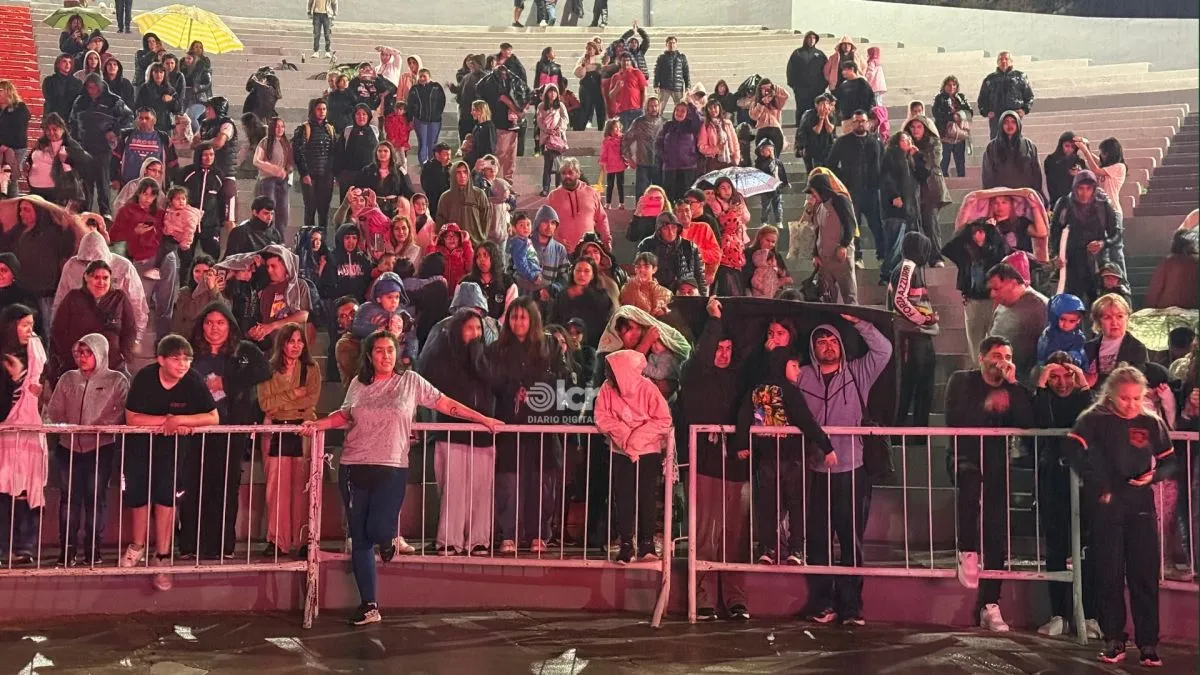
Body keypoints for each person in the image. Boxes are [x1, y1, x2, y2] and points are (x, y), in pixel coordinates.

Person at [1064, 365, 1172, 667]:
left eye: (1137, 398)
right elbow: (1072, 450)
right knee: (1109, 574)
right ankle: (1114, 639)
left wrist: (1153, 477)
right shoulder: (1094, 419)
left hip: (1140, 505)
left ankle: (1148, 643)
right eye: (1125, 399)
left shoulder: (1151, 421)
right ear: (1111, 396)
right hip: (1106, 505)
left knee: (1144, 576)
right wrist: (1097, 482)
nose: (1131, 405)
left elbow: (1170, 461)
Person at [796, 313, 891, 625]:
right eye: (821, 342)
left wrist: (860, 323)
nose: (827, 346)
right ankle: (823, 603)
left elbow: (883, 350)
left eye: (832, 341)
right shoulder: (802, 375)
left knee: (851, 539)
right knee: (819, 539)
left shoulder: (857, 373)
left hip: (853, 467)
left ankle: (851, 606)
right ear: (813, 348)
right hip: (814, 468)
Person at [946, 336, 1034, 632]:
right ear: (981, 358)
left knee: (996, 526)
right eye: (996, 355)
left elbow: (1027, 421)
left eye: (1007, 355)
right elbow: (954, 418)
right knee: (970, 485)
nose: (1002, 360)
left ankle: (990, 604)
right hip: (963, 455)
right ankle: (967, 550)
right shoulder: (961, 380)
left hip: (996, 459)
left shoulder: (1013, 388)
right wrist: (987, 402)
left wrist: (1012, 385)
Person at [733, 317, 835, 565]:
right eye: (794, 366)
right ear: (783, 365)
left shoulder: (757, 390)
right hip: (791, 457)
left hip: (767, 456)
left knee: (768, 504)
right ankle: (796, 549)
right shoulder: (788, 391)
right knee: (796, 504)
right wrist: (827, 446)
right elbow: (805, 420)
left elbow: (743, 415)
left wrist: (741, 443)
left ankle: (767, 549)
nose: (798, 371)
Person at [121, 334, 219, 590]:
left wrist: (182, 421)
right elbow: (132, 418)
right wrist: (169, 422)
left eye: (187, 359)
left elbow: (213, 417)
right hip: (140, 449)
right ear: (160, 360)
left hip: (175, 450)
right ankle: (137, 546)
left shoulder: (194, 380)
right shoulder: (144, 378)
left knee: (167, 498)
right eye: (176, 359)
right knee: (139, 497)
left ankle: (162, 556)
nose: (182, 364)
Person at [679, 297, 749, 619]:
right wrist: (714, 322)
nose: (723, 353)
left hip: (736, 465)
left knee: (734, 536)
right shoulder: (695, 374)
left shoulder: (740, 380)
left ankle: (735, 599)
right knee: (705, 534)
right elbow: (698, 363)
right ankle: (704, 599)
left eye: (728, 348)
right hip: (705, 462)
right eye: (718, 347)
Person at [417, 309, 498, 556]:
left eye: (478, 328)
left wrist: (477, 356)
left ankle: (479, 539)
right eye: (469, 328)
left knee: (481, 490)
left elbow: (495, 381)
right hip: (451, 432)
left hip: (484, 434)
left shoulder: (489, 356)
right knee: (453, 489)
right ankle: (449, 540)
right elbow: (439, 387)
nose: (475, 333)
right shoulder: (444, 356)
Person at [1031, 351, 1099, 638]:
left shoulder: (1085, 399)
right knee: (1056, 548)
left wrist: (1083, 383)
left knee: (1087, 550)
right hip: (1053, 481)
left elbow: (1091, 422)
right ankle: (1058, 613)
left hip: (1084, 482)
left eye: (1066, 375)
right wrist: (1042, 383)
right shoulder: (1044, 400)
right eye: (1055, 377)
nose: (1062, 382)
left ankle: (1090, 614)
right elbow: (1041, 422)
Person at [45, 333, 128, 566]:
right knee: (68, 501)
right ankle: (67, 552)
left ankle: (93, 551)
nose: (82, 357)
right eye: (79, 353)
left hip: (100, 449)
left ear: (100, 353)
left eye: (88, 352)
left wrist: (94, 429)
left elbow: (119, 412)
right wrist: (70, 429)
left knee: (95, 500)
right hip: (67, 446)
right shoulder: (67, 379)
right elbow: (54, 410)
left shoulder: (117, 380)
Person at [484, 298, 558, 554]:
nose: (518, 322)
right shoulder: (496, 350)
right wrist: (512, 391)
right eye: (514, 317)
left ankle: (539, 534)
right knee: (509, 482)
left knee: (541, 482)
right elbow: (491, 384)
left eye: (523, 317)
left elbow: (559, 380)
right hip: (507, 424)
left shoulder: (549, 347)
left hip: (541, 427)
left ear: (533, 320)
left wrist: (535, 394)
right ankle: (509, 534)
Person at [594, 348, 671, 564]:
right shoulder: (607, 389)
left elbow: (663, 419)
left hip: (647, 451)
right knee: (624, 497)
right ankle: (626, 543)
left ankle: (647, 543)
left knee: (646, 496)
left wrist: (636, 439)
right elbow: (602, 417)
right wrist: (625, 437)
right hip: (620, 451)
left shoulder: (647, 388)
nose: (609, 376)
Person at [256, 323, 321, 559]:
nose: (295, 346)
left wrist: (281, 403)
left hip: (302, 429)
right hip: (275, 432)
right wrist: (293, 395)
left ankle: (305, 539)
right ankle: (277, 541)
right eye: (290, 341)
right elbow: (265, 404)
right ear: (281, 343)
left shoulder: (311, 369)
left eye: (299, 341)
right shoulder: (269, 368)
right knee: (277, 488)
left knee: (303, 487)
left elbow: (311, 401)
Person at [0, 304, 46, 565]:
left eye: (32, 324)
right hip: (6, 432)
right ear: (10, 326)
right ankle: (2, 547)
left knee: (30, 489)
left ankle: (26, 547)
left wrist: (41, 393)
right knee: (4, 490)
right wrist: (16, 382)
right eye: (25, 325)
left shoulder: (36, 351)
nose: (31, 331)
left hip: (31, 428)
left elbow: (45, 387)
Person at [52, 228, 149, 350]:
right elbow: (60, 300)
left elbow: (137, 304)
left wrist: (136, 338)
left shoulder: (124, 267)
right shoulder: (72, 266)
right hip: (80, 335)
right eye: (86, 262)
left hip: (112, 335)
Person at [0, 197, 78, 326]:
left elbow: (66, 248)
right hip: (23, 293)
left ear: (38, 212)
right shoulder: (18, 231)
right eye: (20, 210)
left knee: (47, 329)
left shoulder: (52, 233)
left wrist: (68, 224)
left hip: (44, 293)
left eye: (26, 210)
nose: (21, 213)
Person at [889, 231, 939, 429]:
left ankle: (920, 434)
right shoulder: (907, 266)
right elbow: (899, 300)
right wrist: (923, 319)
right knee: (909, 386)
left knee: (924, 386)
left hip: (921, 335)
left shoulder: (913, 268)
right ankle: (899, 433)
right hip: (910, 336)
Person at [1050, 170, 1123, 303]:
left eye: (1088, 189)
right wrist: (1055, 255)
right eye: (1081, 188)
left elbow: (1116, 234)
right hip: (1070, 263)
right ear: (1075, 188)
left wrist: (1102, 243)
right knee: (1070, 304)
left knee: (1099, 303)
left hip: (1096, 263)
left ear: (1094, 189)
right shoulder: (1065, 204)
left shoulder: (1103, 204)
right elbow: (1055, 233)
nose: (1084, 193)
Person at [825, 110, 883, 267]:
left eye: (862, 121)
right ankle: (857, 257)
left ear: (868, 122)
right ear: (852, 123)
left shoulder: (875, 141)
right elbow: (830, 165)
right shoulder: (843, 142)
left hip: (872, 191)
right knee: (853, 225)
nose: (860, 124)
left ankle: (882, 255)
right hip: (851, 191)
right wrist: (842, 181)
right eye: (856, 121)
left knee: (877, 224)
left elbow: (882, 164)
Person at [70, 74, 134, 216]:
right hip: (84, 146)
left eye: (94, 87)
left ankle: (105, 213)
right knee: (86, 183)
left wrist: (115, 131)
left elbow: (129, 117)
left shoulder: (114, 100)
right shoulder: (80, 101)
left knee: (103, 182)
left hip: (104, 148)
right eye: (88, 87)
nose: (91, 90)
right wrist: (74, 143)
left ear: (100, 86)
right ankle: (85, 213)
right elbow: (72, 123)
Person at [986, 262, 1048, 384]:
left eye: (997, 288)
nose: (992, 294)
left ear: (1014, 283)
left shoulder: (1041, 307)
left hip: (1021, 384)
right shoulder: (1002, 304)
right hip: (996, 378)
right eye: (991, 289)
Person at [903, 116, 949, 266]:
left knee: (930, 222)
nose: (915, 130)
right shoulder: (903, 143)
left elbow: (932, 162)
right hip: (911, 189)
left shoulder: (934, 143)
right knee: (913, 223)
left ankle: (936, 257)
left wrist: (916, 154)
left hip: (931, 188)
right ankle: (915, 259)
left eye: (919, 127)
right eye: (913, 127)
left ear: (926, 128)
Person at [807, 172, 858, 304]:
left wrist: (844, 245)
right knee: (827, 296)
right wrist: (815, 254)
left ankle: (853, 320)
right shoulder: (819, 207)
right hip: (824, 258)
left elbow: (850, 225)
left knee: (849, 293)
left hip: (840, 255)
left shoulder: (841, 200)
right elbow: (818, 231)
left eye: (814, 193)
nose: (813, 196)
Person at [878, 131, 920, 283]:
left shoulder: (908, 158)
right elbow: (886, 177)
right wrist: (894, 195)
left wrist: (917, 156)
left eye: (909, 138)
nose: (908, 141)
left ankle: (895, 274)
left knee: (899, 243)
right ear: (896, 142)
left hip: (907, 208)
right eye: (904, 139)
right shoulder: (891, 154)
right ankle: (886, 273)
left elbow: (923, 175)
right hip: (895, 208)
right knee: (895, 242)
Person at [475, 65, 529, 184]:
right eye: (502, 75)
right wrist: (517, 110)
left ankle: (507, 183)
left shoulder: (513, 80)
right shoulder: (491, 84)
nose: (505, 77)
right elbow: (501, 98)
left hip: (513, 126)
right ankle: (494, 182)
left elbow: (524, 94)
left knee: (511, 157)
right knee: (500, 155)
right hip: (500, 125)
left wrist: (521, 110)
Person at [545, 158, 611, 252]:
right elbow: (546, 223)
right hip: (561, 252)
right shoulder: (553, 196)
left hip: (587, 251)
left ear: (578, 174)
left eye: (570, 172)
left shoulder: (591, 193)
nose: (567, 176)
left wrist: (606, 240)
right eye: (563, 173)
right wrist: (556, 239)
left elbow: (601, 219)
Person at [1083, 293, 1148, 389]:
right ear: (1098, 322)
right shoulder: (1087, 348)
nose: (1114, 322)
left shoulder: (1137, 348)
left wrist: (1096, 380)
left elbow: (1137, 383)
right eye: (1107, 317)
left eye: (1120, 316)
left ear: (1127, 318)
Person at [292, 98, 337, 233]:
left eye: (324, 109)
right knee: (310, 209)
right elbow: (298, 153)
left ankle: (322, 242)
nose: (322, 112)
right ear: (313, 110)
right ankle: (308, 241)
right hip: (310, 176)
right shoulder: (304, 128)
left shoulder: (330, 129)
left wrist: (332, 174)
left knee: (324, 211)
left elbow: (333, 152)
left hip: (326, 176)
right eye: (319, 109)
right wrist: (304, 173)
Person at [24, 113, 89, 207]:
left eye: (54, 129)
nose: (51, 133)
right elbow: (31, 158)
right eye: (48, 130)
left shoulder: (70, 145)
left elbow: (83, 162)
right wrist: (27, 164)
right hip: (35, 190)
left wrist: (67, 159)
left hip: (55, 193)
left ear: (62, 129)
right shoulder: (41, 142)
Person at [112, 108, 178, 191]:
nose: (143, 121)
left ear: (154, 120)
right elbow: (115, 158)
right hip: (128, 186)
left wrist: (170, 184)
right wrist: (115, 179)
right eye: (140, 118)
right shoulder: (126, 136)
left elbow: (173, 163)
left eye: (147, 118)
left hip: (154, 188)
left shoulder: (163, 138)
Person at [981, 111, 1043, 196]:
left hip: (1024, 197)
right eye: (1006, 122)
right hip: (1001, 198)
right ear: (1000, 125)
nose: (1010, 125)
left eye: (1013, 122)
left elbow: (1036, 173)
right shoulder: (992, 147)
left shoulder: (1029, 146)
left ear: (1018, 124)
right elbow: (988, 175)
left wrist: (1037, 194)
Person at [252, 117, 294, 240]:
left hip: (283, 181)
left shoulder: (286, 144)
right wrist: (273, 169)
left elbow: (290, 163)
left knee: (283, 212)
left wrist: (287, 171)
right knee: (268, 209)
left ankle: (279, 239)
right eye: (277, 126)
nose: (280, 129)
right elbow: (257, 160)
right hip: (268, 181)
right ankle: (265, 237)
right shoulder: (265, 142)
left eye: (282, 126)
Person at [977, 52, 1034, 139]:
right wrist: (986, 112)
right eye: (1001, 59)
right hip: (996, 116)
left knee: (1016, 142)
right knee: (996, 142)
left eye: (1006, 59)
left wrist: (1024, 110)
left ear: (1011, 61)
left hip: (1014, 115)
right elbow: (982, 99)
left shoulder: (1020, 77)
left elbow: (1029, 96)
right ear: (997, 62)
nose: (1004, 61)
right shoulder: (990, 79)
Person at [657, 100, 702, 203]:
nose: (679, 113)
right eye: (677, 110)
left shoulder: (691, 126)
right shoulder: (667, 125)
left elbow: (698, 119)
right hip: (669, 168)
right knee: (669, 197)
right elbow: (658, 143)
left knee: (686, 198)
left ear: (687, 113)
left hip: (688, 167)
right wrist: (664, 157)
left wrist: (691, 104)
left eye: (683, 111)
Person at [1146, 226, 1199, 309]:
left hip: (1167, 310)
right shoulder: (1195, 261)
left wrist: (1149, 309)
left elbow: (1155, 291)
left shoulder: (1167, 262)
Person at [622, 97, 664, 200]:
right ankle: (639, 216)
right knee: (641, 195)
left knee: (659, 195)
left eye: (656, 105)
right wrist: (629, 159)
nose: (654, 108)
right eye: (651, 106)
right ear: (647, 107)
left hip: (659, 164)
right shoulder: (638, 123)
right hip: (643, 164)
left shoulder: (664, 123)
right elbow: (626, 140)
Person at [334, 105, 379, 201]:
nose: (361, 117)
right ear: (354, 116)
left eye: (364, 114)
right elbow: (339, 153)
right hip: (350, 176)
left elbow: (382, 150)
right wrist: (338, 174)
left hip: (370, 176)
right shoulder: (347, 130)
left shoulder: (375, 131)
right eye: (358, 114)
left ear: (368, 116)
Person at [932, 75, 973, 178]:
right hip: (945, 135)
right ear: (944, 86)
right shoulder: (939, 98)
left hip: (960, 135)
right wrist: (951, 116)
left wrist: (961, 114)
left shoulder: (962, 97)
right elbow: (936, 114)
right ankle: (944, 180)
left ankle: (962, 180)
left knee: (960, 161)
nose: (951, 87)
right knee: (944, 161)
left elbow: (970, 112)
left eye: (954, 85)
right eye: (949, 85)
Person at [786, 31, 828, 127]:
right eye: (809, 38)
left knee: (816, 108)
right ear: (805, 39)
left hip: (817, 88)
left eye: (813, 38)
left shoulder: (820, 54)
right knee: (801, 108)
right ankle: (800, 127)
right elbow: (790, 69)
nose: (811, 40)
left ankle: (816, 126)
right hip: (801, 88)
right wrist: (793, 85)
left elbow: (826, 70)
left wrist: (823, 85)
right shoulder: (797, 53)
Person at [406, 69, 447, 165]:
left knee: (432, 143)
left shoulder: (436, 87)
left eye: (424, 76)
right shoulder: (415, 88)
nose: (422, 78)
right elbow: (410, 104)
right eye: (420, 76)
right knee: (423, 143)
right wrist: (410, 119)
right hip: (420, 120)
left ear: (429, 76)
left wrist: (437, 114)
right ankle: (423, 164)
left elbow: (442, 101)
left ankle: (433, 163)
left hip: (435, 121)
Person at [536, 84, 570, 196]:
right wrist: (547, 130)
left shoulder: (560, 106)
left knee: (559, 164)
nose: (552, 94)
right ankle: (545, 188)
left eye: (554, 92)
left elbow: (565, 118)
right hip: (546, 138)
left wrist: (558, 128)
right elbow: (539, 121)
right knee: (547, 164)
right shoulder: (541, 106)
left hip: (558, 138)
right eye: (550, 92)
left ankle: (559, 187)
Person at [0, 81, 30, 199]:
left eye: (1, 91)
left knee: (12, 178)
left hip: (17, 147)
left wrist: (7, 144)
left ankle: (13, 205)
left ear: (8, 92)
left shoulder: (20, 108)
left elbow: (19, 129)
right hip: (1, 147)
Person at [1043, 132, 1086, 208]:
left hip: (1078, 205)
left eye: (1073, 146)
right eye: (1066, 146)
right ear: (1061, 145)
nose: (1069, 149)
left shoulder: (1079, 162)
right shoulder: (1051, 160)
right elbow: (1052, 178)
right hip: (1058, 203)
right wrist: (1067, 170)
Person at [609, 54, 649, 134]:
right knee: (624, 136)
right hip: (622, 111)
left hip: (637, 110)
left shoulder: (637, 72)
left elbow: (644, 90)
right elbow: (611, 95)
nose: (626, 62)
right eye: (623, 60)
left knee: (639, 135)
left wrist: (642, 107)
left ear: (631, 62)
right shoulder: (615, 76)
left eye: (628, 60)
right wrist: (617, 88)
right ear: (620, 62)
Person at [795, 93, 835, 173]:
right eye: (822, 104)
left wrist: (826, 117)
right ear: (816, 105)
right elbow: (817, 130)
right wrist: (821, 118)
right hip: (810, 147)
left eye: (826, 104)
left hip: (825, 147)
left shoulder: (831, 115)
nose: (825, 106)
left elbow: (830, 130)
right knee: (812, 172)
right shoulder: (809, 115)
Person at [42, 54, 84, 130]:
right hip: (52, 118)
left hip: (70, 120)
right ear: (58, 64)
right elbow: (49, 99)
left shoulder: (77, 83)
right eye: (64, 61)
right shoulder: (49, 81)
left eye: (70, 62)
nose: (67, 65)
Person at [699, 98, 740, 174]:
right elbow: (701, 146)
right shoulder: (706, 126)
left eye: (715, 107)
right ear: (707, 110)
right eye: (710, 108)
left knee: (728, 184)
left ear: (719, 108)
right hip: (713, 161)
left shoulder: (727, 123)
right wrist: (717, 148)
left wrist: (736, 158)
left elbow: (735, 143)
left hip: (729, 160)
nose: (713, 110)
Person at [832, 64, 875, 135]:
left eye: (845, 70)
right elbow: (839, 99)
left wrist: (866, 114)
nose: (842, 72)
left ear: (852, 69)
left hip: (860, 117)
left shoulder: (862, 82)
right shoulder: (843, 85)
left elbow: (870, 99)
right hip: (846, 118)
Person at [653, 37, 690, 107]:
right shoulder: (661, 58)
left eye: (673, 43)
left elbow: (686, 72)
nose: (672, 45)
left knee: (680, 107)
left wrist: (688, 86)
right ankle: (657, 118)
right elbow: (657, 72)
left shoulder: (682, 57)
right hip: (664, 87)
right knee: (659, 108)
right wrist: (655, 85)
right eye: (670, 43)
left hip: (678, 87)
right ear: (666, 45)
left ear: (676, 44)